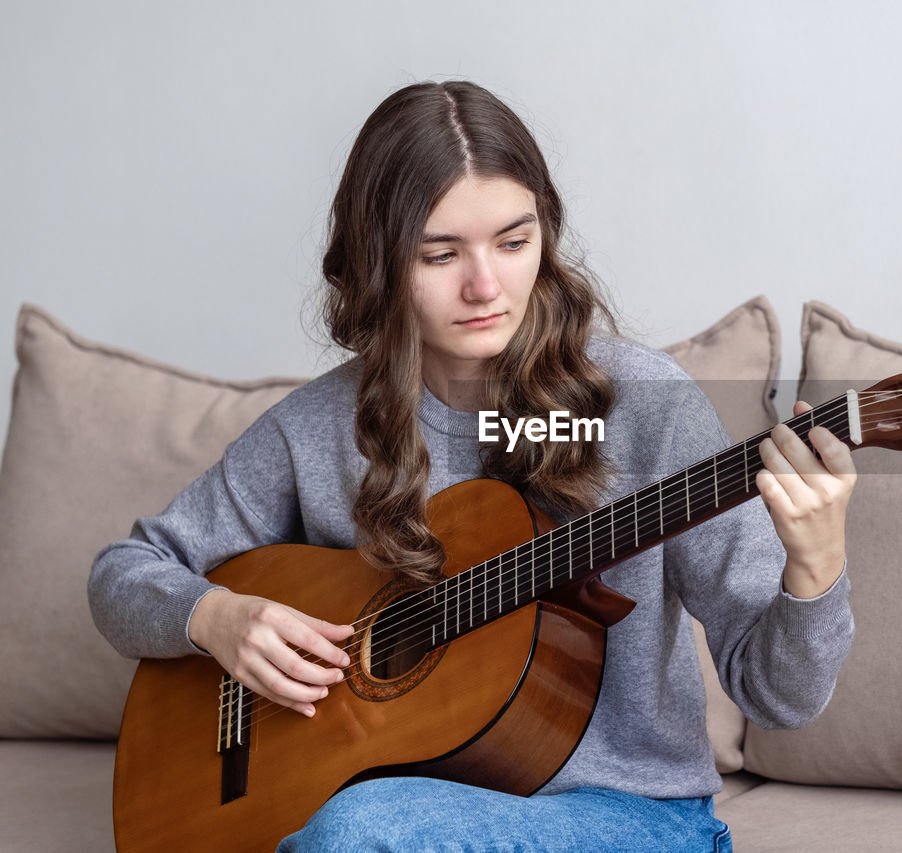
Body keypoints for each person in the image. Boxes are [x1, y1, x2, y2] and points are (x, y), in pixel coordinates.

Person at [89, 80, 856, 852]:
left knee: (359, 834)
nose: (486, 286)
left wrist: (815, 568)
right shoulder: (317, 426)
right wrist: (216, 617)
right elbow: (122, 572)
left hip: (633, 818)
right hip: (401, 813)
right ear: (378, 263)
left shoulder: (645, 404)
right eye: (440, 253)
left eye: (514, 243)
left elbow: (778, 695)